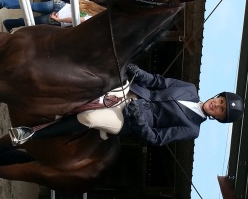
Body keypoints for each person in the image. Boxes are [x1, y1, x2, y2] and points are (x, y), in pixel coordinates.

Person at [9, 63, 244, 146]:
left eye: (221, 110)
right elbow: (158, 82)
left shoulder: (192, 130)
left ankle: (31, 134)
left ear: (219, 118)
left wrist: (138, 118)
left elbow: (155, 138)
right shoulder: (189, 88)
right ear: (218, 95)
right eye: (221, 100)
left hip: (128, 118)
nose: (217, 105)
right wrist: (137, 71)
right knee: (97, 72)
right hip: (131, 89)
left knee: (90, 119)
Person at [0, 0, 106, 32]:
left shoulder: (92, 5)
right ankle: (9, 24)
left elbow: (77, 0)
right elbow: (78, 19)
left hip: (58, 4)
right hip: (56, 18)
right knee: (31, 21)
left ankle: (4, 2)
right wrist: (59, 20)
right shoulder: (94, 18)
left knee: (28, 5)